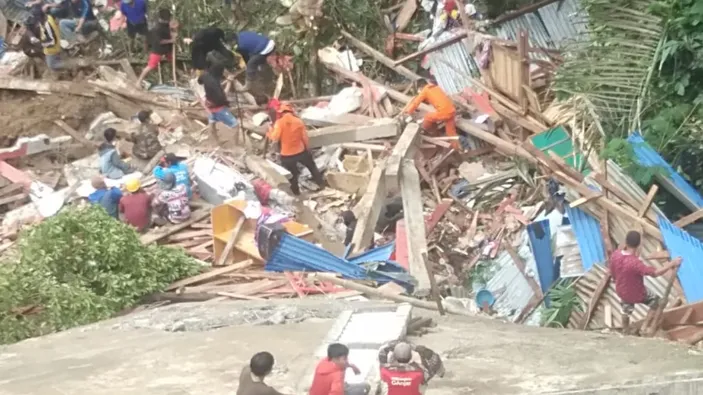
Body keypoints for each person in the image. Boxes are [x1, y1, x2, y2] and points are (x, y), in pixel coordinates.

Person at [609, 230, 682, 334]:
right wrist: (672, 263)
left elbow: (612, 271)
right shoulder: (635, 263)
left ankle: (625, 331)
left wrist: (616, 280)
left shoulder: (615, 255)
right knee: (656, 302)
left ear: (625, 242)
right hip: (637, 292)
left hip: (621, 290)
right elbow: (655, 273)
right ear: (639, 244)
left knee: (626, 310)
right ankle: (645, 326)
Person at [266, 103, 324, 196]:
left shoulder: (279, 123)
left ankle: (296, 193)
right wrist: (307, 148)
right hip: (300, 151)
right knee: (312, 167)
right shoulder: (298, 121)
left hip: (287, 155)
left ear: (281, 112)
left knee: (293, 174)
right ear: (291, 111)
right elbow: (305, 137)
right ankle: (321, 184)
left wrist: (269, 131)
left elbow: (275, 138)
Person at [403, 78, 459, 150]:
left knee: (427, 117)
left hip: (444, 112)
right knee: (451, 133)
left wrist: (408, 112)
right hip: (451, 110)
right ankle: (457, 149)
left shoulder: (425, 90)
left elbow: (416, 102)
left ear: (420, 87)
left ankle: (425, 131)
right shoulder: (436, 87)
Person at [377, 341, 444, 395]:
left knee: (382, 382)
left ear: (394, 356)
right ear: (410, 356)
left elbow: (381, 357)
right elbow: (434, 364)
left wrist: (388, 347)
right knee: (423, 382)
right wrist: (422, 351)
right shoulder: (419, 372)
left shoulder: (385, 371)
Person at [136, 8, 177, 87]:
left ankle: (174, 76)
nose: (167, 21)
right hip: (158, 49)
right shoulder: (156, 29)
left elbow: (173, 26)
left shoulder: (167, 24)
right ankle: (138, 81)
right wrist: (171, 40)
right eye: (166, 19)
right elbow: (160, 41)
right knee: (151, 65)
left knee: (173, 60)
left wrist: (173, 30)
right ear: (161, 19)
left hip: (167, 49)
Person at [198, 62, 239, 132]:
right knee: (235, 125)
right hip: (218, 108)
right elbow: (223, 96)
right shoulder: (215, 83)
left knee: (212, 123)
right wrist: (229, 82)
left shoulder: (205, 75)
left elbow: (199, 81)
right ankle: (235, 142)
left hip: (208, 104)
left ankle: (216, 141)